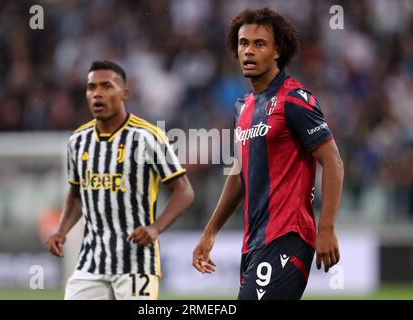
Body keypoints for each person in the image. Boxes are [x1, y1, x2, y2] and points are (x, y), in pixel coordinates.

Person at [192, 8, 344, 300]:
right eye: (243, 43)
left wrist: (326, 227)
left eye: (259, 44)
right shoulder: (243, 106)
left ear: (277, 50)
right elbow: (239, 176)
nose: (248, 51)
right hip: (254, 243)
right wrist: (210, 232)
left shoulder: (295, 99)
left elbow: (333, 161)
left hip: (288, 236)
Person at [46, 60, 194, 300]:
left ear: (124, 93)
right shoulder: (78, 140)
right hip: (91, 261)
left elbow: (185, 191)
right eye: (91, 87)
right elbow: (76, 195)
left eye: (106, 86)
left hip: (136, 262)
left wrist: (156, 228)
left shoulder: (148, 137)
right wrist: (61, 231)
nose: (97, 94)